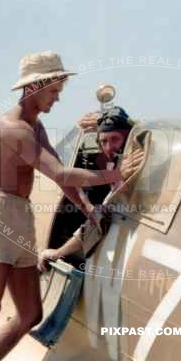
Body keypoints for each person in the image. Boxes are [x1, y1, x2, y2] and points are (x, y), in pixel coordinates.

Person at [0, 51, 144, 361]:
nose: (57, 100)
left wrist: (87, 208)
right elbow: (60, 174)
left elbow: (62, 178)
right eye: (54, 92)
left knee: (31, 313)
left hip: (20, 214)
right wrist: (116, 175)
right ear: (36, 87)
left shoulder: (36, 126)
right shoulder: (13, 129)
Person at [37, 106, 141, 270]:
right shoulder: (119, 166)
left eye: (115, 139)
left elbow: (99, 220)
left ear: (127, 136)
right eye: (103, 141)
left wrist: (58, 252)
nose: (108, 148)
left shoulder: (132, 165)